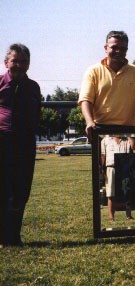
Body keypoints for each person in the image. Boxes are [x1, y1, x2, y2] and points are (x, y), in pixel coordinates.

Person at [78, 30, 135, 140]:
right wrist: (89, 122)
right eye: (114, 47)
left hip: (128, 131)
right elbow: (86, 100)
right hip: (100, 131)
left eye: (123, 49)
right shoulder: (93, 71)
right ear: (106, 48)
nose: (118, 51)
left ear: (127, 50)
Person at [0, 44, 41, 247]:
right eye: (15, 60)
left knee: (21, 191)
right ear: (6, 62)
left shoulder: (33, 87)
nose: (19, 65)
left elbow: (37, 115)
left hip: (25, 144)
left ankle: (14, 237)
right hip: (3, 141)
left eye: (24, 61)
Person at [101, 136, 134, 221]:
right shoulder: (105, 139)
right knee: (110, 194)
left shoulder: (127, 139)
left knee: (127, 192)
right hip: (111, 168)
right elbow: (103, 155)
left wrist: (128, 135)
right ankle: (111, 217)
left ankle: (129, 216)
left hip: (124, 168)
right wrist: (102, 169)